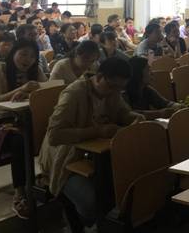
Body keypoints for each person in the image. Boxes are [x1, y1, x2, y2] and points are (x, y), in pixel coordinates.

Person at [39, 58, 143, 228]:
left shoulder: (112, 91)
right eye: (112, 86)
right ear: (99, 76)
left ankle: (96, 221)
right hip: (65, 159)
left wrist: (134, 117)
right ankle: (79, 219)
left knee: (122, 187)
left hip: (95, 155)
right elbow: (55, 136)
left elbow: (122, 112)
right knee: (92, 202)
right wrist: (98, 131)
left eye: (120, 88)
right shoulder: (74, 94)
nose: (115, 92)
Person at [0, 39, 47, 219]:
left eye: (33, 56)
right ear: (13, 53)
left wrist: (28, 92)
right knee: (21, 141)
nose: (28, 59)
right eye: (23, 54)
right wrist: (22, 89)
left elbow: (46, 91)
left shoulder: (36, 70)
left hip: (23, 119)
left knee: (48, 131)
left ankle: (47, 179)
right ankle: (20, 192)